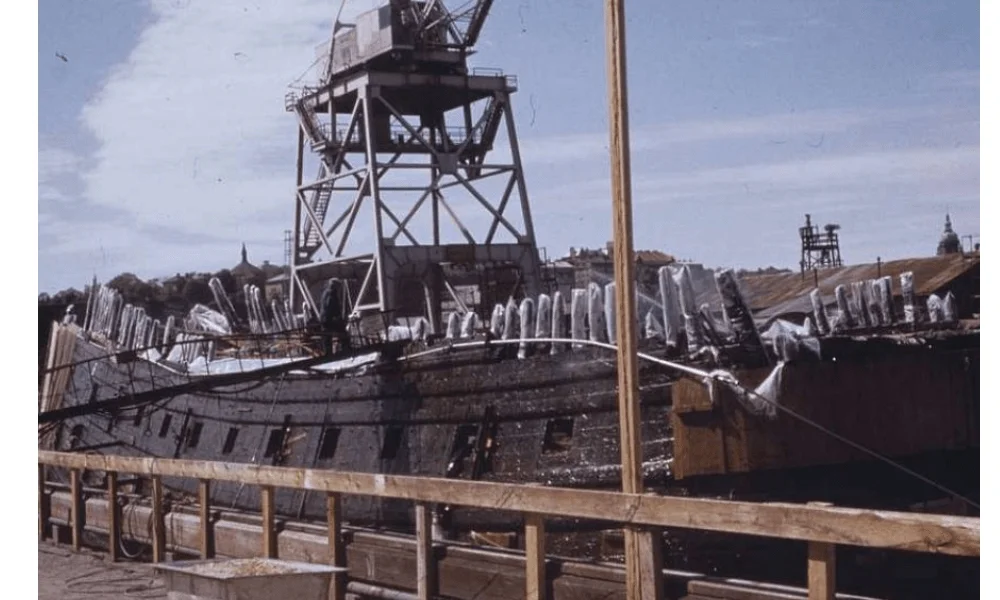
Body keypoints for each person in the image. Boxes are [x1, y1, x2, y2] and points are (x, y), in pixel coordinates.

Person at [319, 278, 351, 355]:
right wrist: (337, 316)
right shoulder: (331, 293)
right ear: (335, 286)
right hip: (329, 319)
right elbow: (331, 306)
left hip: (324, 319)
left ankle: (328, 352)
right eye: (338, 286)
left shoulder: (325, 293)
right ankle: (346, 349)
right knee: (342, 331)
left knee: (327, 336)